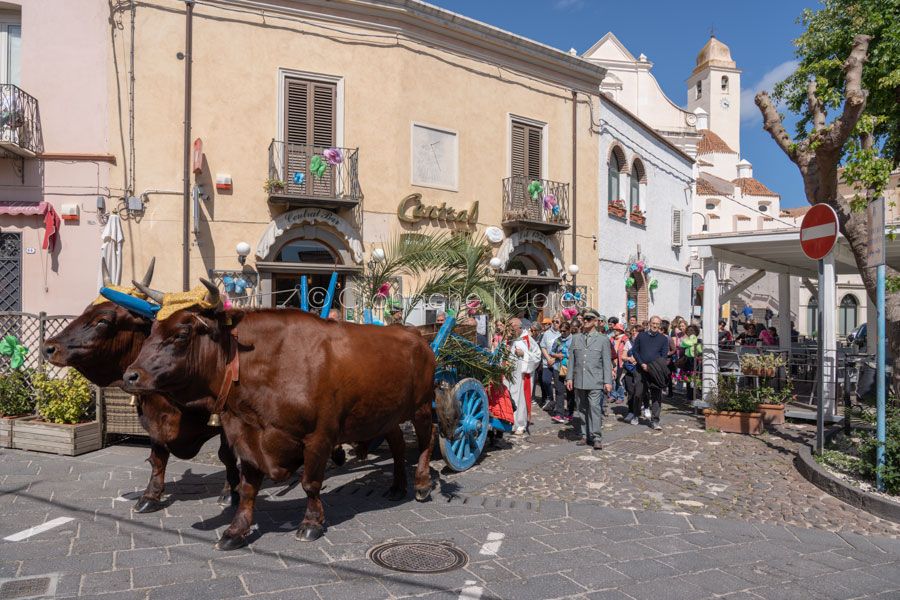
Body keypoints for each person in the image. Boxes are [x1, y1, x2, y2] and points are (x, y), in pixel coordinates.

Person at [565, 308, 613, 450]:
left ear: (595, 322)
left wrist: (608, 381)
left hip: (595, 380)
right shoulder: (576, 338)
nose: (585, 321)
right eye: (584, 319)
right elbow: (572, 359)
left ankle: (596, 436)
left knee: (594, 408)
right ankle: (585, 435)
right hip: (580, 379)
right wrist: (569, 378)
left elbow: (606, 362)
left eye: (589, 319)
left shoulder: (603, 339)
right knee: (582, 409)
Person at [632, 315, 669, 430]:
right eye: (653, 323)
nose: (655, 326)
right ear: (649, 323)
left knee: (656, 395)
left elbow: (663, 356)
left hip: (655, 371)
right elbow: (635, 351)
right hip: (641, 369)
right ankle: (636, 414)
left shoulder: (663, 339)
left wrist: (653, 367)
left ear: (660, 325)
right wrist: (642, 363)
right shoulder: (641, 336)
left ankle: (655, 420)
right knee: (638, 393)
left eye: (657, 324)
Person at [506, 318, 540, 435]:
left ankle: (520, 424)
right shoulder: (509, 339)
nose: (510, 331)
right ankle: (509, 421)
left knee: (521, 400)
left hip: (522, 375)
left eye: (512, 329)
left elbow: (537, 357)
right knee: (510, 397)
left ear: (520, 328)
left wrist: (524, 354)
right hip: (510, 375)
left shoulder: (528, 340)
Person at [550, 322, 573, 423]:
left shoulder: (573, 340)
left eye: (564, 331)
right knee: (559, 390)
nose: (562, 333)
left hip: (569, 367)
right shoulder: (557, 340)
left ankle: (570, 412)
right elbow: (551, 352)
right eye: (561, 331)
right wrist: (556, 356)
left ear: (569, 330)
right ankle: (559, 413)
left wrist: (566, 354)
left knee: (570, 391)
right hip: (558, 367)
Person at [539, 316, 562, 411]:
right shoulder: (547, 334)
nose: (555, 323)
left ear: (561, 322)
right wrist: (548, 359)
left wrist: (554, 359)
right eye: (553, 321)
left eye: (557, 321)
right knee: (545, 380)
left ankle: (558, 403)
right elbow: (543, 346)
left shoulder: (562, 333)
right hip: (547, 362)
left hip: (558, 363)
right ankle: (551, 399)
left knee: (558, 384)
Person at [622, 325, 643, 424]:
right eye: (633, 331)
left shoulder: (644, 343)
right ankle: (631, 411)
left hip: (640, 370)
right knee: (630, 391)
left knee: (638, 393)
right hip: (630, 370)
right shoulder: (628, 343)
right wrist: (629, 359)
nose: (634, 333)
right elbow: (623, 357)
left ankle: (638, 411)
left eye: (637, 331)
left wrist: (638, 360)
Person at [611, 323, 629, 405]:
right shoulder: (611, 339)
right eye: (614, 330)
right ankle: (613, 395)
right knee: (612, 379)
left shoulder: (625, 339)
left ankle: (620, 396)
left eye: (617, 330)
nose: (615, 331)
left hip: (621, 361)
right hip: (613, 361)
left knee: (620, 380)